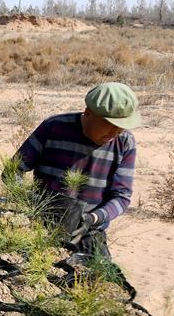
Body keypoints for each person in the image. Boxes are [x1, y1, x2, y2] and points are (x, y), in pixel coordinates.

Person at [15, 82, 141, 258]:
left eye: (121, 126)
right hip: (40, 225)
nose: (115, 132)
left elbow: (121, 197)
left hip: (88, 232)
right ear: (88, 112)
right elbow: (14, 170)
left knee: (101, 281)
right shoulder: (54, 127)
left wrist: (92, 218)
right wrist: (30, 203)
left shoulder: (125, 142)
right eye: (109, 123)